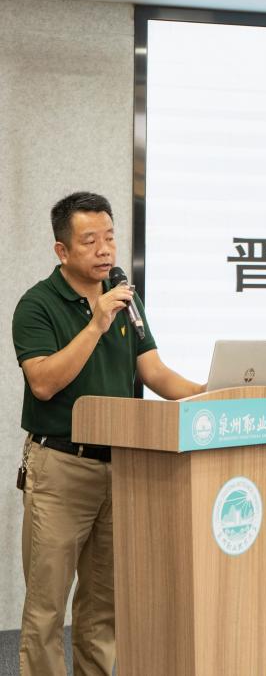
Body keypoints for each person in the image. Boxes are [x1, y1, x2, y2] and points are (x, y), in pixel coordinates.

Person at [12, 191, 204, 675]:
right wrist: (97, 323)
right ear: (62, 250)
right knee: (47, 606)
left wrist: (210, 392)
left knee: (104, 604)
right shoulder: (37, 305)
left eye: (111, 238)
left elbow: (155, 372)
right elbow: (43, 381)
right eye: (90, 240)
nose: (105, 250)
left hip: (122, 466)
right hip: (61, 469)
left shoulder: (125, 301)